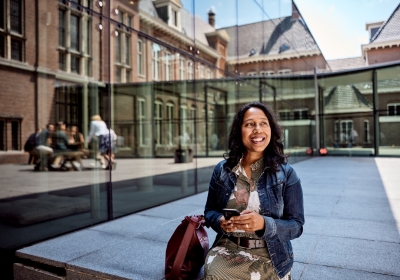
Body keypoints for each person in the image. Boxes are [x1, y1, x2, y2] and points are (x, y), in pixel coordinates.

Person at [203, 102, 304, 280]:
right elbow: (209, 211)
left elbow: (296, 226)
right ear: (239, 131)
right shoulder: (222, 170)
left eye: (263, 123)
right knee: (214, 276)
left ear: (271, 129)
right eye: (250, 124)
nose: (257, 129)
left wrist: (264, 224)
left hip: (272, 255)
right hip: (228, 249)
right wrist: (219, 221)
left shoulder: (287, 174)